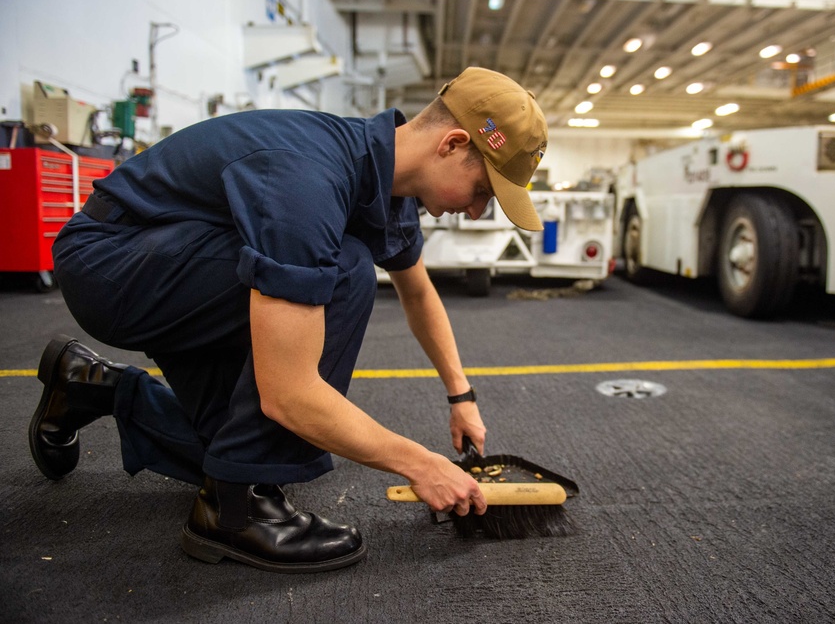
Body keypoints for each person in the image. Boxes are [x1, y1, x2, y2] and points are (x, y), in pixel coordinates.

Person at [28, 67, 548, 573]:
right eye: (483, 191)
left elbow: (419, 293)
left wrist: (461, 397)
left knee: (231, 452)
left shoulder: (390, 188)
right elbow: (287, 393)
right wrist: (419, 463)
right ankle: (235, 512)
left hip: (175, 265)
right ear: (453, 144)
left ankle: (90, 385)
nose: (478, 211)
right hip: (109, 269)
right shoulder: (307, 180)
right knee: (347, 273)